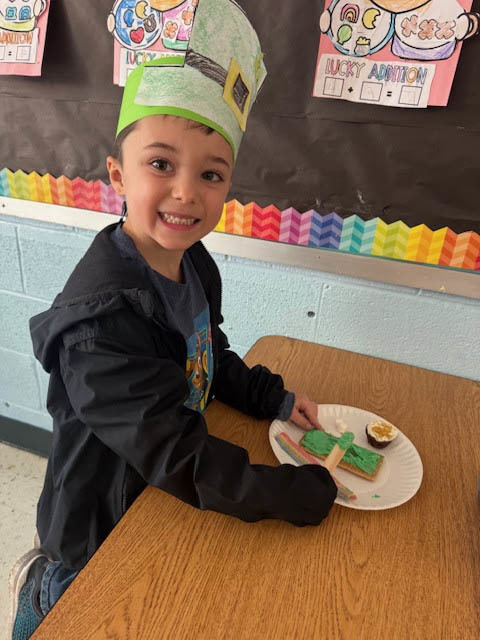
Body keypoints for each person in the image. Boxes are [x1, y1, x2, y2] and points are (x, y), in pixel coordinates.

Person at [8, 1, 337, 637]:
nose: (187, 192)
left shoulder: (193, 263)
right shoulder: (102, 328)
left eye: (210, 174)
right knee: (75, 614)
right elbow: (176, 455)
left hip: (152, 502)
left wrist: (272, 396)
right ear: (117, 175)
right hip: (97, 532)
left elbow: (205, 350)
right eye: (161, 164)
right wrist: (285, 494)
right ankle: (37, 596)